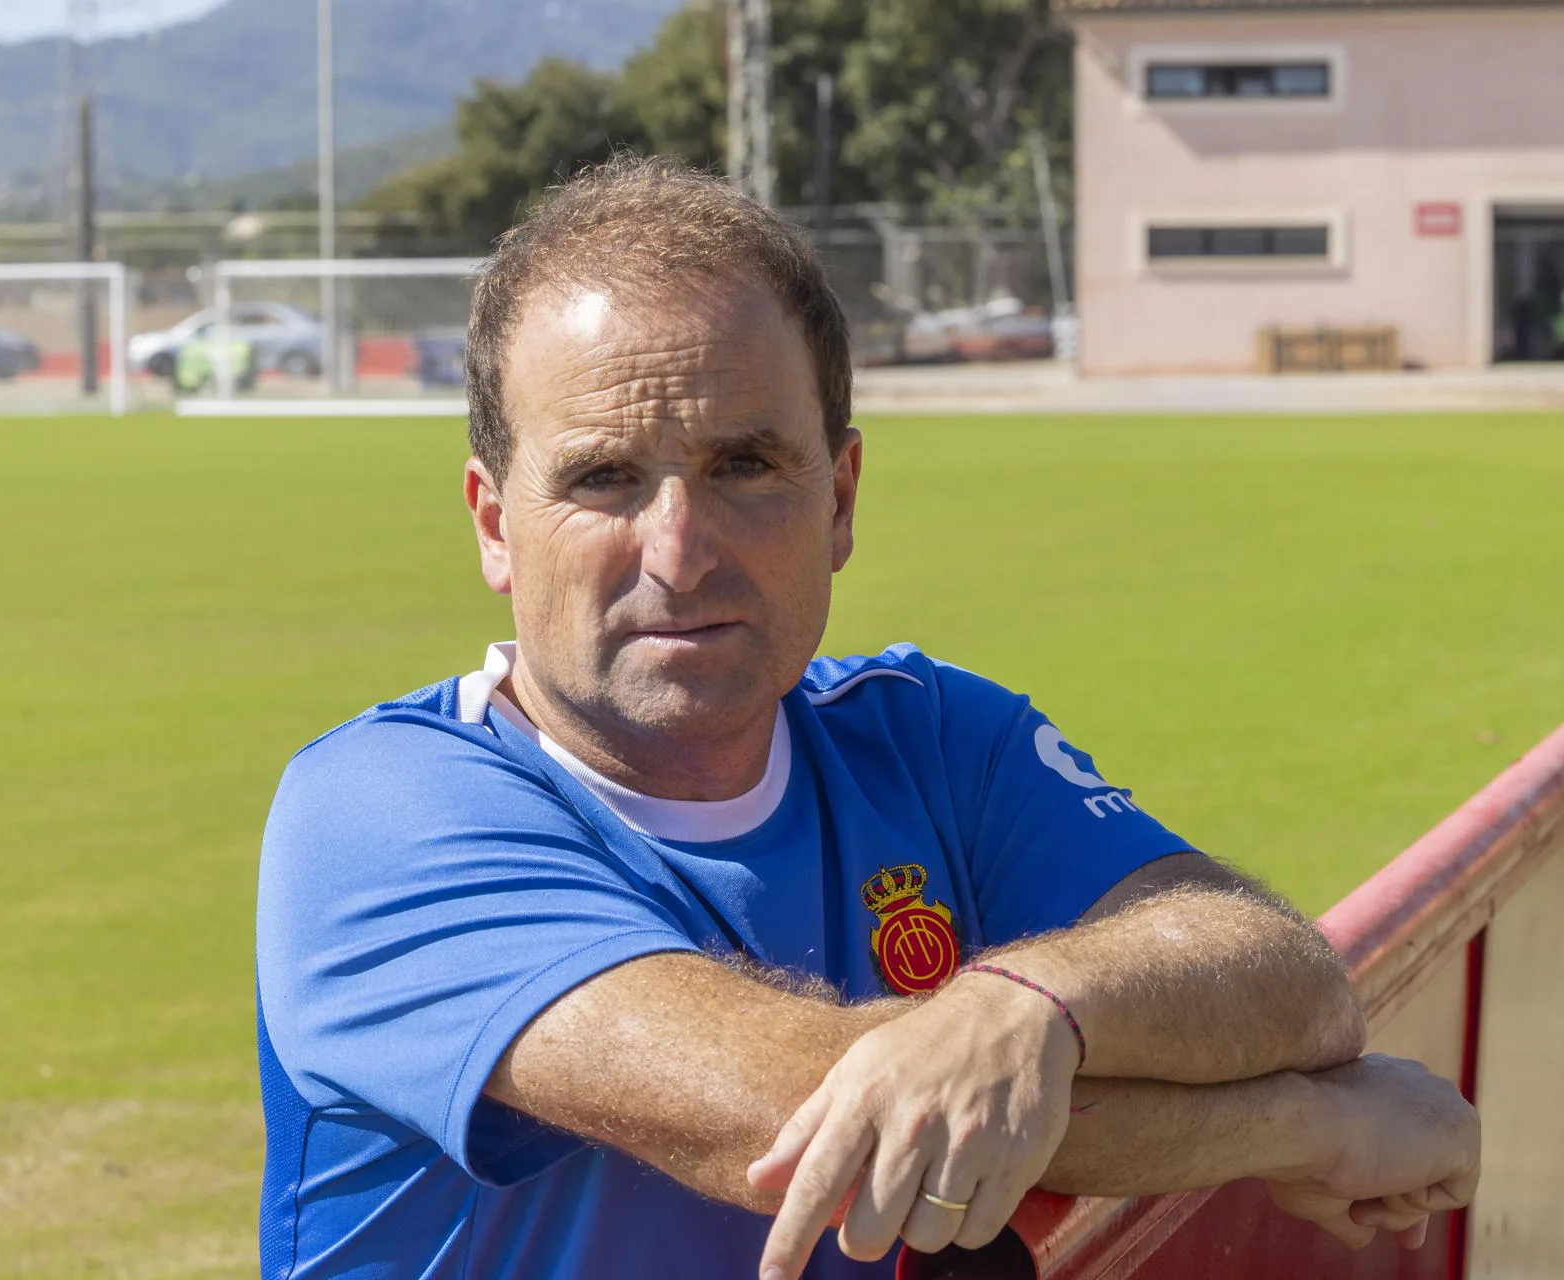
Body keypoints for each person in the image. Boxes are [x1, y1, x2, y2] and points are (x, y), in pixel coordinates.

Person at [254, 156, 1479, 1280]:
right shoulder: (378, 811)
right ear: (491, 521)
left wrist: (1027, 1008)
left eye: (745, 466)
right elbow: (802, 1122)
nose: (678, 552)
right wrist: (1305, 1126)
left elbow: (1284, 973)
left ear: (839, 499)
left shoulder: (932, 734)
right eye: (603, 478)